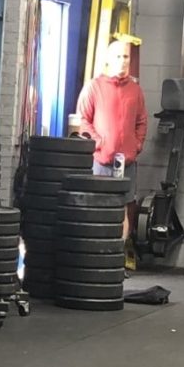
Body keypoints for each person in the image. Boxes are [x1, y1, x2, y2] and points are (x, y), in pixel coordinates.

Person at [76, 38, 148, 268]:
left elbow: (142, 122)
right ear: (108, 59)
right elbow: (83, 121)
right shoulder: (94, 87)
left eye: (126, 56)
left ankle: (115, 260)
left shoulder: (135, 91)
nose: (123, 61)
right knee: (99, 210)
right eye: (118, 56)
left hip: (126, 164)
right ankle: (96, 259)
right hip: (101, 162)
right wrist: (99, 142)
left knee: (123, 212)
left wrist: (136, 146)